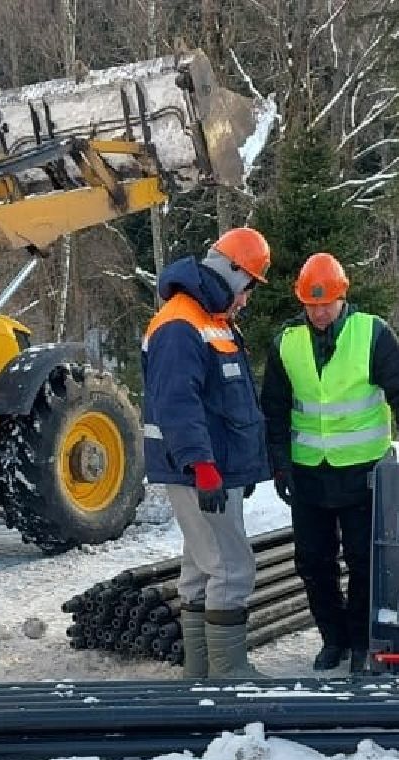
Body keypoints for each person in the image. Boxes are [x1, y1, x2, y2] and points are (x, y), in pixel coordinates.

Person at [261, 252, 399, 675]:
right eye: (310, 304)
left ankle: (360, 643)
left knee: (362, 561)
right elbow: (275, 410)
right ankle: (332, 639)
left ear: (343, 297)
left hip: (363, 473)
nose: (318, 312)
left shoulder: (372, 334)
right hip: (308, 474)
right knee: (313, 563)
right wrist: (279, 464)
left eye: (326, 303)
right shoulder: (287, 342)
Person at [141, 227, 274, 679]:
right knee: (232, 568)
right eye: (250, 285)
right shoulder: (181, 324)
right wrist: (203, 467)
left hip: (211, 469)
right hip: (198, 470)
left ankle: (199, 674)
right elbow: (177, 403)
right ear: (232, 272)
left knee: (201, 568)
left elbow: (230, 403)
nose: (248, 297)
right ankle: (229, 674)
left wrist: (239, 466)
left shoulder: (210, 320)